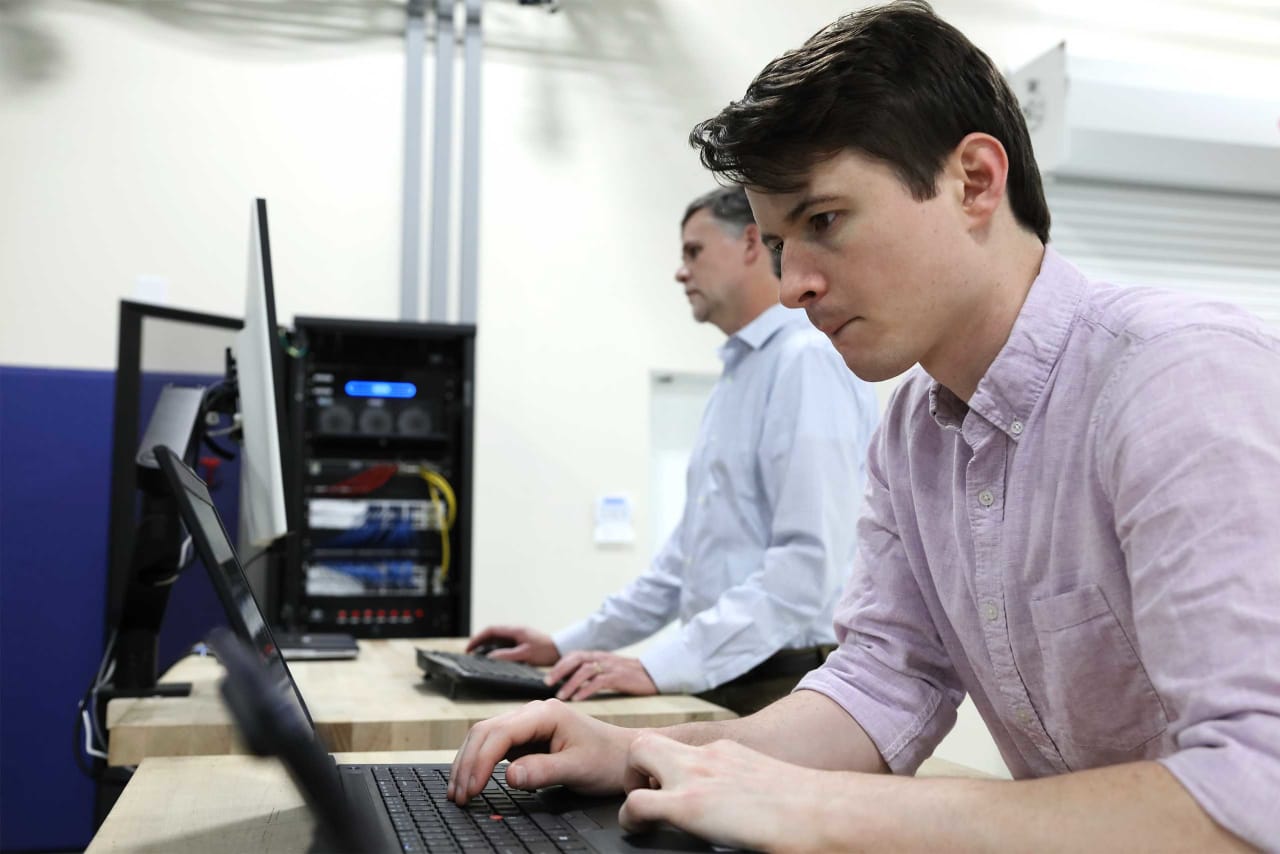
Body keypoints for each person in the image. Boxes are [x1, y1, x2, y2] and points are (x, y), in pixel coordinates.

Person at [448, 2, 1280, 850]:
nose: (796, 282)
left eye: (825, 221)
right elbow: (883, 687)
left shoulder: (1180, 377)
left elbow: (1256, 791)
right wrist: (640, 753)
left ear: (974, 182)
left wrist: (815, 808)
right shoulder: (915, 430)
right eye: (777, 244)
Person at [467, 186, 879, 716]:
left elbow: (804, 571)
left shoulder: (805, 361)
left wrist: (656, 666)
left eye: (693, 252)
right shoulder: (740, 374)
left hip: (781, 683)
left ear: (752, 242)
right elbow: (678, 571)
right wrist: (563, 644)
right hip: (730, 673)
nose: (680, 272)